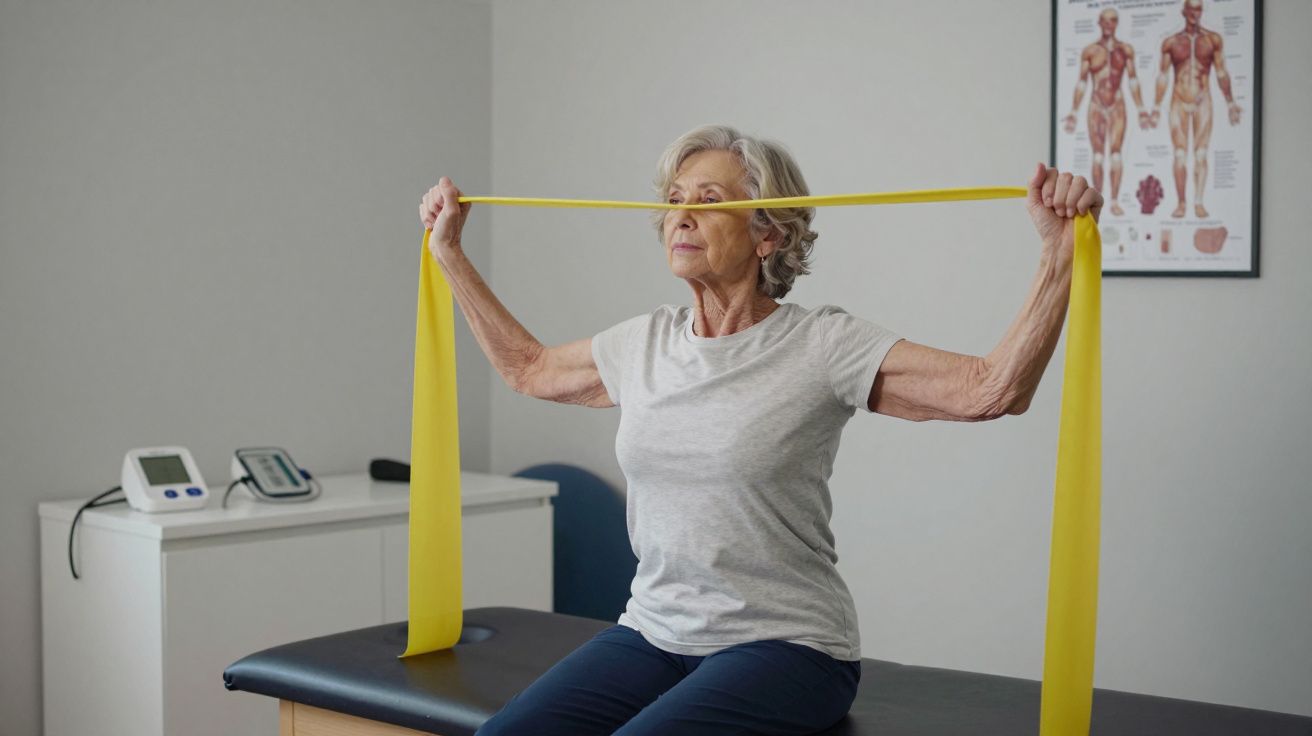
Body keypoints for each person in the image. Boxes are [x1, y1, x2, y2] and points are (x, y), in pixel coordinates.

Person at [418, 124, 1102, 735]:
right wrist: (449, 252)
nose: (680, 215)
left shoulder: (821, 345)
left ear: (767, 233)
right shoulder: (643, 343)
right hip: (653, 634)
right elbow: (529, 368)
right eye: (675, 199)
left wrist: (1059, 255)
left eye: (709, 201)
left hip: (788, 647)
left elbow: (991, 389)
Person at [1150, 0, 1243, 219]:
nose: (1195, 13)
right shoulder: (1171, 42)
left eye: (1198, 9)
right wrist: (1155, 106)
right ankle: (1182, 203)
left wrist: (1230, 102)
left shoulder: (1212, 40)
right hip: (1178, 99)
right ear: (1184, 12)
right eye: (1191, 9)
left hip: (1203, 99)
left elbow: (1221, 72)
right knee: (1180, 154)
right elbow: (1162, 76)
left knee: (1201, 154)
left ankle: (1198, 202)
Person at [1062, 7, 1148, 217]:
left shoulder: (1125, 50)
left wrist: (1141, 109)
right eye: (1106, 21)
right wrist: (1073, 111)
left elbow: (1133, 80)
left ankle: (1116, 200)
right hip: (1097, 105)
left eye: (1113, 21)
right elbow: (1082, 83)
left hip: (1117, 104)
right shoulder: (1091, 51)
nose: (1110, 25)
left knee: (1116, 155)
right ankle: (1098, 200)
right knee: (1099, 156)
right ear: (1100, 22)